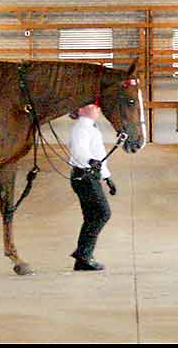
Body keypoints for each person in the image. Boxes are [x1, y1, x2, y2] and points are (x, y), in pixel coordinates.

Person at [67, 104, 118, 271]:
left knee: (92, 216)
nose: (98, 109)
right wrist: (89, 161)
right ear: (80, 110)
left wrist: (107, 176)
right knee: (102, 213)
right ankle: (84, 254)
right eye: (93, 106)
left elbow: (99, 153)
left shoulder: (90, 128)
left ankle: (83, 257)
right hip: (84, 176)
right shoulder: (81, 128)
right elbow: (79, 151)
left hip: (90, 176)